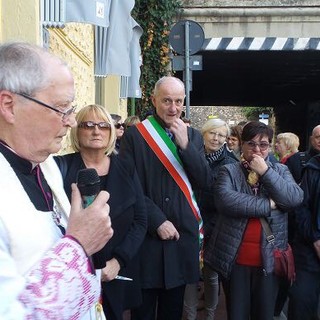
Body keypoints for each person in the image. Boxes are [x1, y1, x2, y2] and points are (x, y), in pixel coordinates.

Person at [0, 41, 113, 319]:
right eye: (62, 108)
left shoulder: (45, 165)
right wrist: (78, 246)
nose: (71, 122)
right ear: (9, 106)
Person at [119, 76, 213, 320]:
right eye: (167, 101)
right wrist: (157, 221)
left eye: (178, 101)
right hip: (147, 238)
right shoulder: (135, 136)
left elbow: (205, 181)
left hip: (180, 239)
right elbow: (129, 186)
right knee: (143, 312)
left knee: (173, 311)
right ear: (153, 100)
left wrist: (185, 146)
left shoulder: (192, 136)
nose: (173, 108)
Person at [54, 104, 147, 320]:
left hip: (116, 273)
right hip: (74, 276)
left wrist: (118, 262)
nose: (97, 131)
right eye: (88, 125)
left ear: (111, 132)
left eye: (104, 126)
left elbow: (140, 221)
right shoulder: (59, 167)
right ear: (77, 130)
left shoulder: (126, 167)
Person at [204, 121, 303, 320]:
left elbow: (294, 198)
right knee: (237, 314)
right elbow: (227, 201)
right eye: (251, 144)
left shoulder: (280, 171)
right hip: (235, 258)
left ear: (269, 146)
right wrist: (271, 205)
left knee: (264, 314)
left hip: (269, 260)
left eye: (263, 144)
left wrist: (265, 172)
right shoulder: (229, 171)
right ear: (242, 145)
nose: (257, 149)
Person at [184, 118, 237, 320]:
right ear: (203, 134)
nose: (216, 138)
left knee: (211, 274)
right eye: (212, 133)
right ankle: (189, 316)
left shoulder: (231, 164)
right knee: (190, 272)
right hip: (190, 222)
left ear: (226, 139)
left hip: (215, 225)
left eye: (221, 135)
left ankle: (210, 316)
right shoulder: (190, 157)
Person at [288, 153, 320, 320]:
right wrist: (315, 240)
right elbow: (301, 207)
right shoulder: (312, 169)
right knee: (302, 301)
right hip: (309, 249)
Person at [273, 132, 300, 318]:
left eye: (279, 142)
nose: (275, 145)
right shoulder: (285, 161)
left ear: (288, 145)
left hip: (288, 223)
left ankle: (276, 308)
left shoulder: (291, 164)